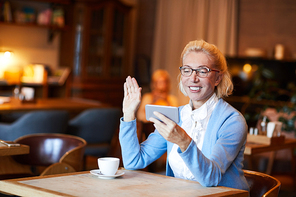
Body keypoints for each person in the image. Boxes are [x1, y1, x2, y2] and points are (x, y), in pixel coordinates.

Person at [119, 40, 249, 191]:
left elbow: (211, 178)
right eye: (187, 70)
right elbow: (134, 161)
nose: (193, 78)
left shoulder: (232, 121)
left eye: (202, 71)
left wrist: (184, 142)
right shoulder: (176, 115)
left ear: (218, 78)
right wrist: (128, 114)